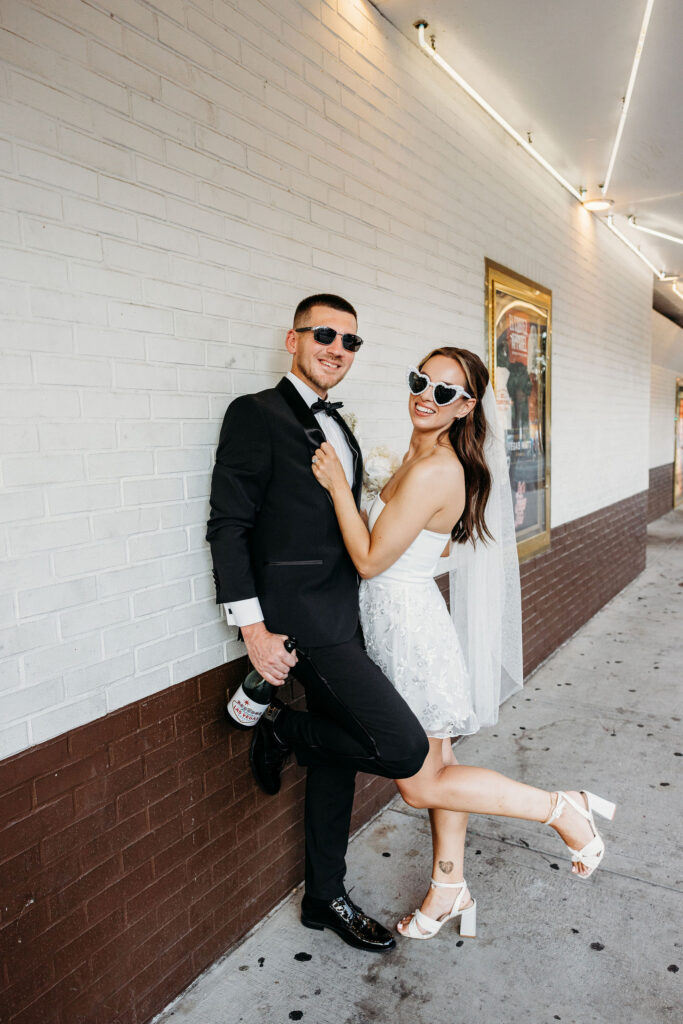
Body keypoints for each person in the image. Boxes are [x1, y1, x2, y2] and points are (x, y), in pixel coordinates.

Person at [311, 346, 616, 940]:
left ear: (466, 407)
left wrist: (337, 489)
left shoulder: (436, 468)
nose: (427, 395)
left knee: (420, 785)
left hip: (407, 633)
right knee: (441, 767)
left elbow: (372, 560)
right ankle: (449, 886)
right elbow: (439, 545)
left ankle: (562, 809)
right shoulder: (423, 452)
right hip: (406, 618)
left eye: (445, 392)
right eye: (421, 380)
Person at [206, 294, 429, 953]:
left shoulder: (343, 425)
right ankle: (282, 729)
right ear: (293, 339)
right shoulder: (255, 414)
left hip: (345, 610)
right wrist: (252, 629)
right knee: (402, 747)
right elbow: (229, 525)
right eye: (325, 334)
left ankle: (322, 897)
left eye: (350, 341)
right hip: (303, 620)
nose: (337, 348)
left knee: (339, 756)